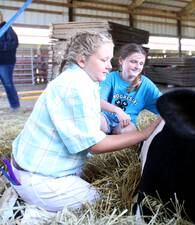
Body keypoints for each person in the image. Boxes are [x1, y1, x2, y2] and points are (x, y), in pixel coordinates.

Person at [10, 31, 160, 212]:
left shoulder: (82, 79)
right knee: (104, 202)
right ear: (82, 60)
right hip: (39, 179)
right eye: (103, 60)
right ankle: (32, 215)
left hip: (29, 166)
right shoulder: (76, 87)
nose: (108, 66)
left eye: (109, 60)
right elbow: (96, 145)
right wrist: (143, 134)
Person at [100, 43, 161, 134]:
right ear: (121, 60)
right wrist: (117, 110)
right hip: (106, 117)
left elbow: (162, 103)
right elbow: (98, 101)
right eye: (133, 62)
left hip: (127, 122)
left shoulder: (146, 84)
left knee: (124, 132)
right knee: (94, 122)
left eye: (141, 63)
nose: (137, 67)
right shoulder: (111, 78)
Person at [0, 11, 20, 112]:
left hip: (5, 62)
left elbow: (14, 43)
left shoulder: (7, 28)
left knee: (7, 84)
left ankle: (15, 106)